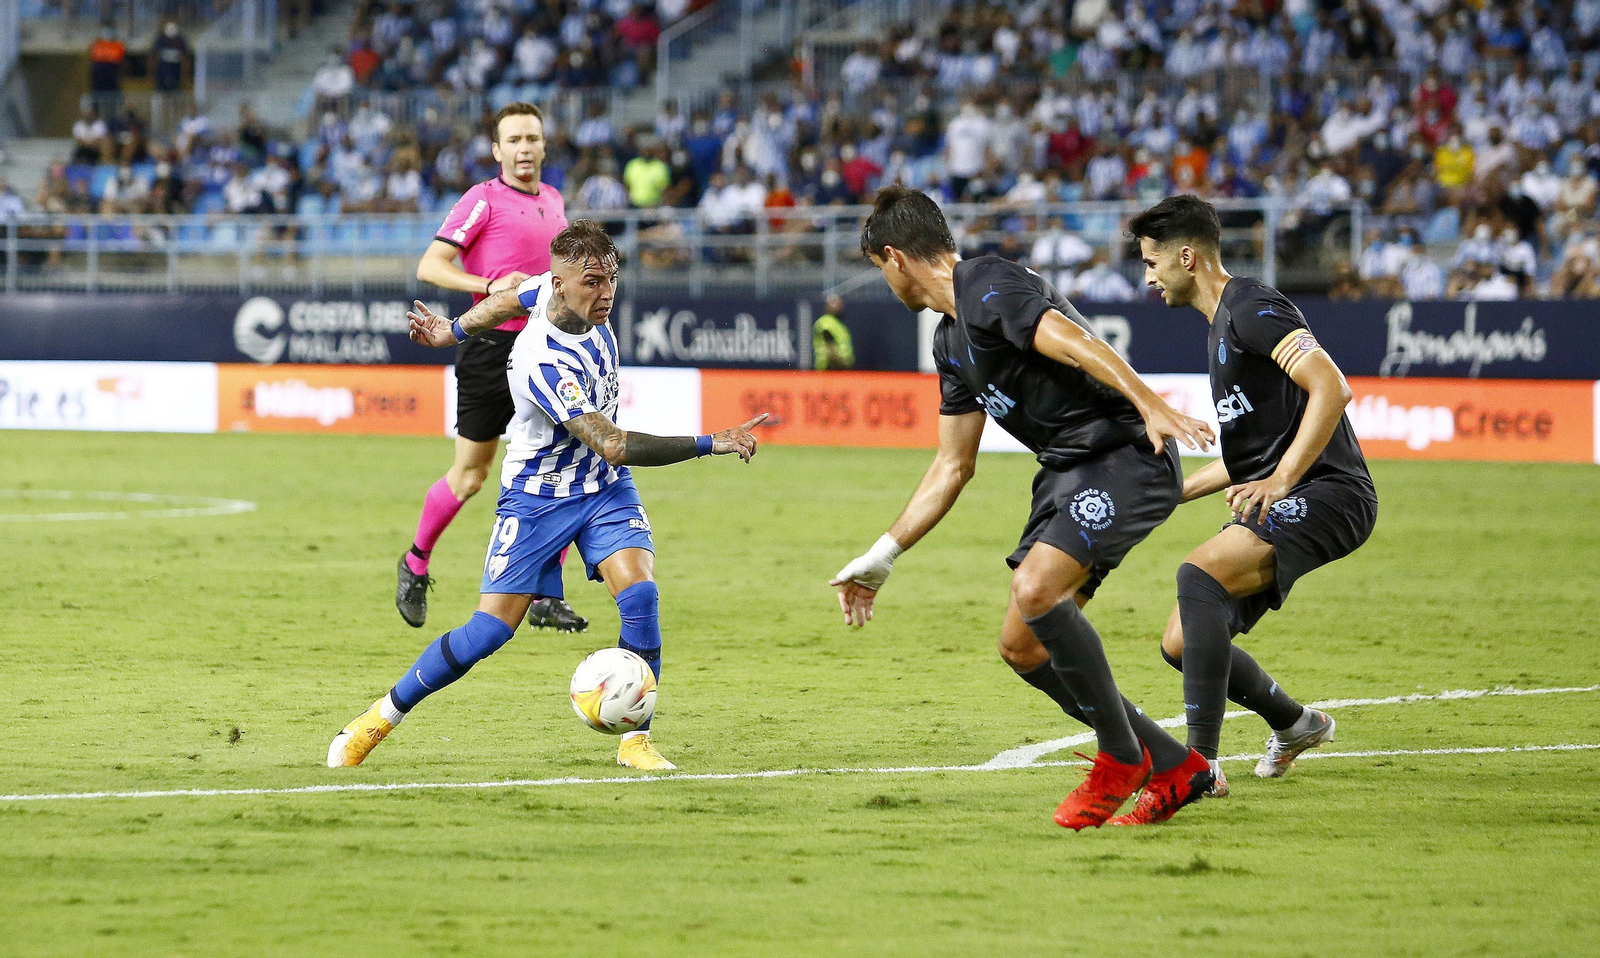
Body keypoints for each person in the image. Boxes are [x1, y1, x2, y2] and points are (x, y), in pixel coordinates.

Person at [833, 187, 1217, 830]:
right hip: (1067, 474)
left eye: (878, 269)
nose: (885, 282)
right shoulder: (951, 341)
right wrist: (884, 552)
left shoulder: (987, 282)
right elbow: (953, 463)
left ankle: (1121, 758)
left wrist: (1149, 402)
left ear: (894, 258)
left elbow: (1074, 341)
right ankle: (1176, 764)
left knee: (1037, 589)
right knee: (1024, 647)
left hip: (1125, 457)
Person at [331, 222, 767, 772]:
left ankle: (636, 741)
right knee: (487, 632)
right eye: (593, 282)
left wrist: (453, 331)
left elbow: (507, 298)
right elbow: (612, 443)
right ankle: (380, 716)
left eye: (612, 279)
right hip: (538, 498)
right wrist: (712, 442)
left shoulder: (551, 291)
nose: (606, 293)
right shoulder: (543, 358)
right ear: (562, 284)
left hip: (602, 491)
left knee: (640, 596)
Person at [1130, 195, 1377, 800]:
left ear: (1187, 257)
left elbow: (1332, 387)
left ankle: (1201, 766)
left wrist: (1284, 478)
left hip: (1332, 491)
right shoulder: (1221, 327)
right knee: (1183, 642)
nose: (1147, 276)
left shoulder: (1252, 307)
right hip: (1293, 490)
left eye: (1152, 262)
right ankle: (1296, 724)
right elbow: (1249, 461)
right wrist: (1172, 493)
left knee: (1200, 575)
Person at [402, 103, 586, 635]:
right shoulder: (482, 199)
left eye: (533, 137)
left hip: (546, 350)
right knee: (471, 476)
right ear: (497, 150)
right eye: (515, 139)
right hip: (487, 347)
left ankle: (546, 595)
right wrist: (488, 287)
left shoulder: (554, 200)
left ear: (544, 146)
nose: (525, 147)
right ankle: (415, 563)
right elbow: (430, 265)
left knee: (561, 472)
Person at [812, 294, 855, 370]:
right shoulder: (826, 323)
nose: (839, 306)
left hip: (839, 367)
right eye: (834, 304)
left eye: (839, 303)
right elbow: (830, 348)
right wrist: (840, 363)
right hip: (831, 367)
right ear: (827, 307)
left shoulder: (837, 323)